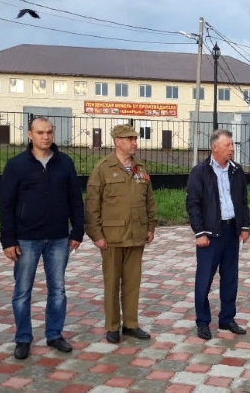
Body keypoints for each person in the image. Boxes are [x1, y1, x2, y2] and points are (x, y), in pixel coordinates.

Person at [0, 116, 84, 360]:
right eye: (40, 132)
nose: (45, 137)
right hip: (26, 239)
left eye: (49, 132)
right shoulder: (16, 165)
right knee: (22, 291)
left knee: (57, 290)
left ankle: (54, 334)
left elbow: (75, 199)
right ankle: (23, 338)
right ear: (29, 135)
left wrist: (77, 230)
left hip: (58, 238)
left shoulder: (65, 163)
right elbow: (6, 205)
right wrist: (9, 240)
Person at [85, 124, 155, 343]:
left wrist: (151, 226)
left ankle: (131, 324)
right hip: (112, 237)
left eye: (135, 138)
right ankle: (112, 326)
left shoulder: (141, 167)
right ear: (117, 141)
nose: (134, 142)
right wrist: (96, 234)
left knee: (133, 282)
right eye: (129, 138)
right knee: (112, 282)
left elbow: (149, 200)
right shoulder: (103, 168)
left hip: (137, 234)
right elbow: (92, 205)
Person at [185, 129, 250, 340]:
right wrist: (200, 232)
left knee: (230, 278)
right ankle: (203, 322)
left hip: (231, 232)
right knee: (204, 279)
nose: (232, 148)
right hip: (210, 235)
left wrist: (244, 227)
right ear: (215, 147)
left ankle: (227, 319)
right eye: (228, 144)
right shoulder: (200, 172)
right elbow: (193, 205)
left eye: (232, 145)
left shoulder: (236, 171)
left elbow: (243, 201)